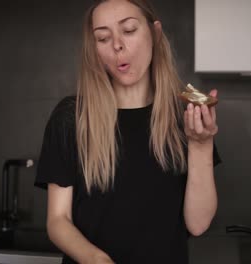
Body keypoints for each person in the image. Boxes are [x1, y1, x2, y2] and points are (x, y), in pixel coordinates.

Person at [34, 0, 221, 263]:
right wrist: (95, 259)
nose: (117, 45)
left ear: (155, 34)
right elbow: (57, 220)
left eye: (129, 30)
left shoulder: (185, 116)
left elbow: (198, 224)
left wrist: (202, 144)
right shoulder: (72, 117)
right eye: (102, 37)